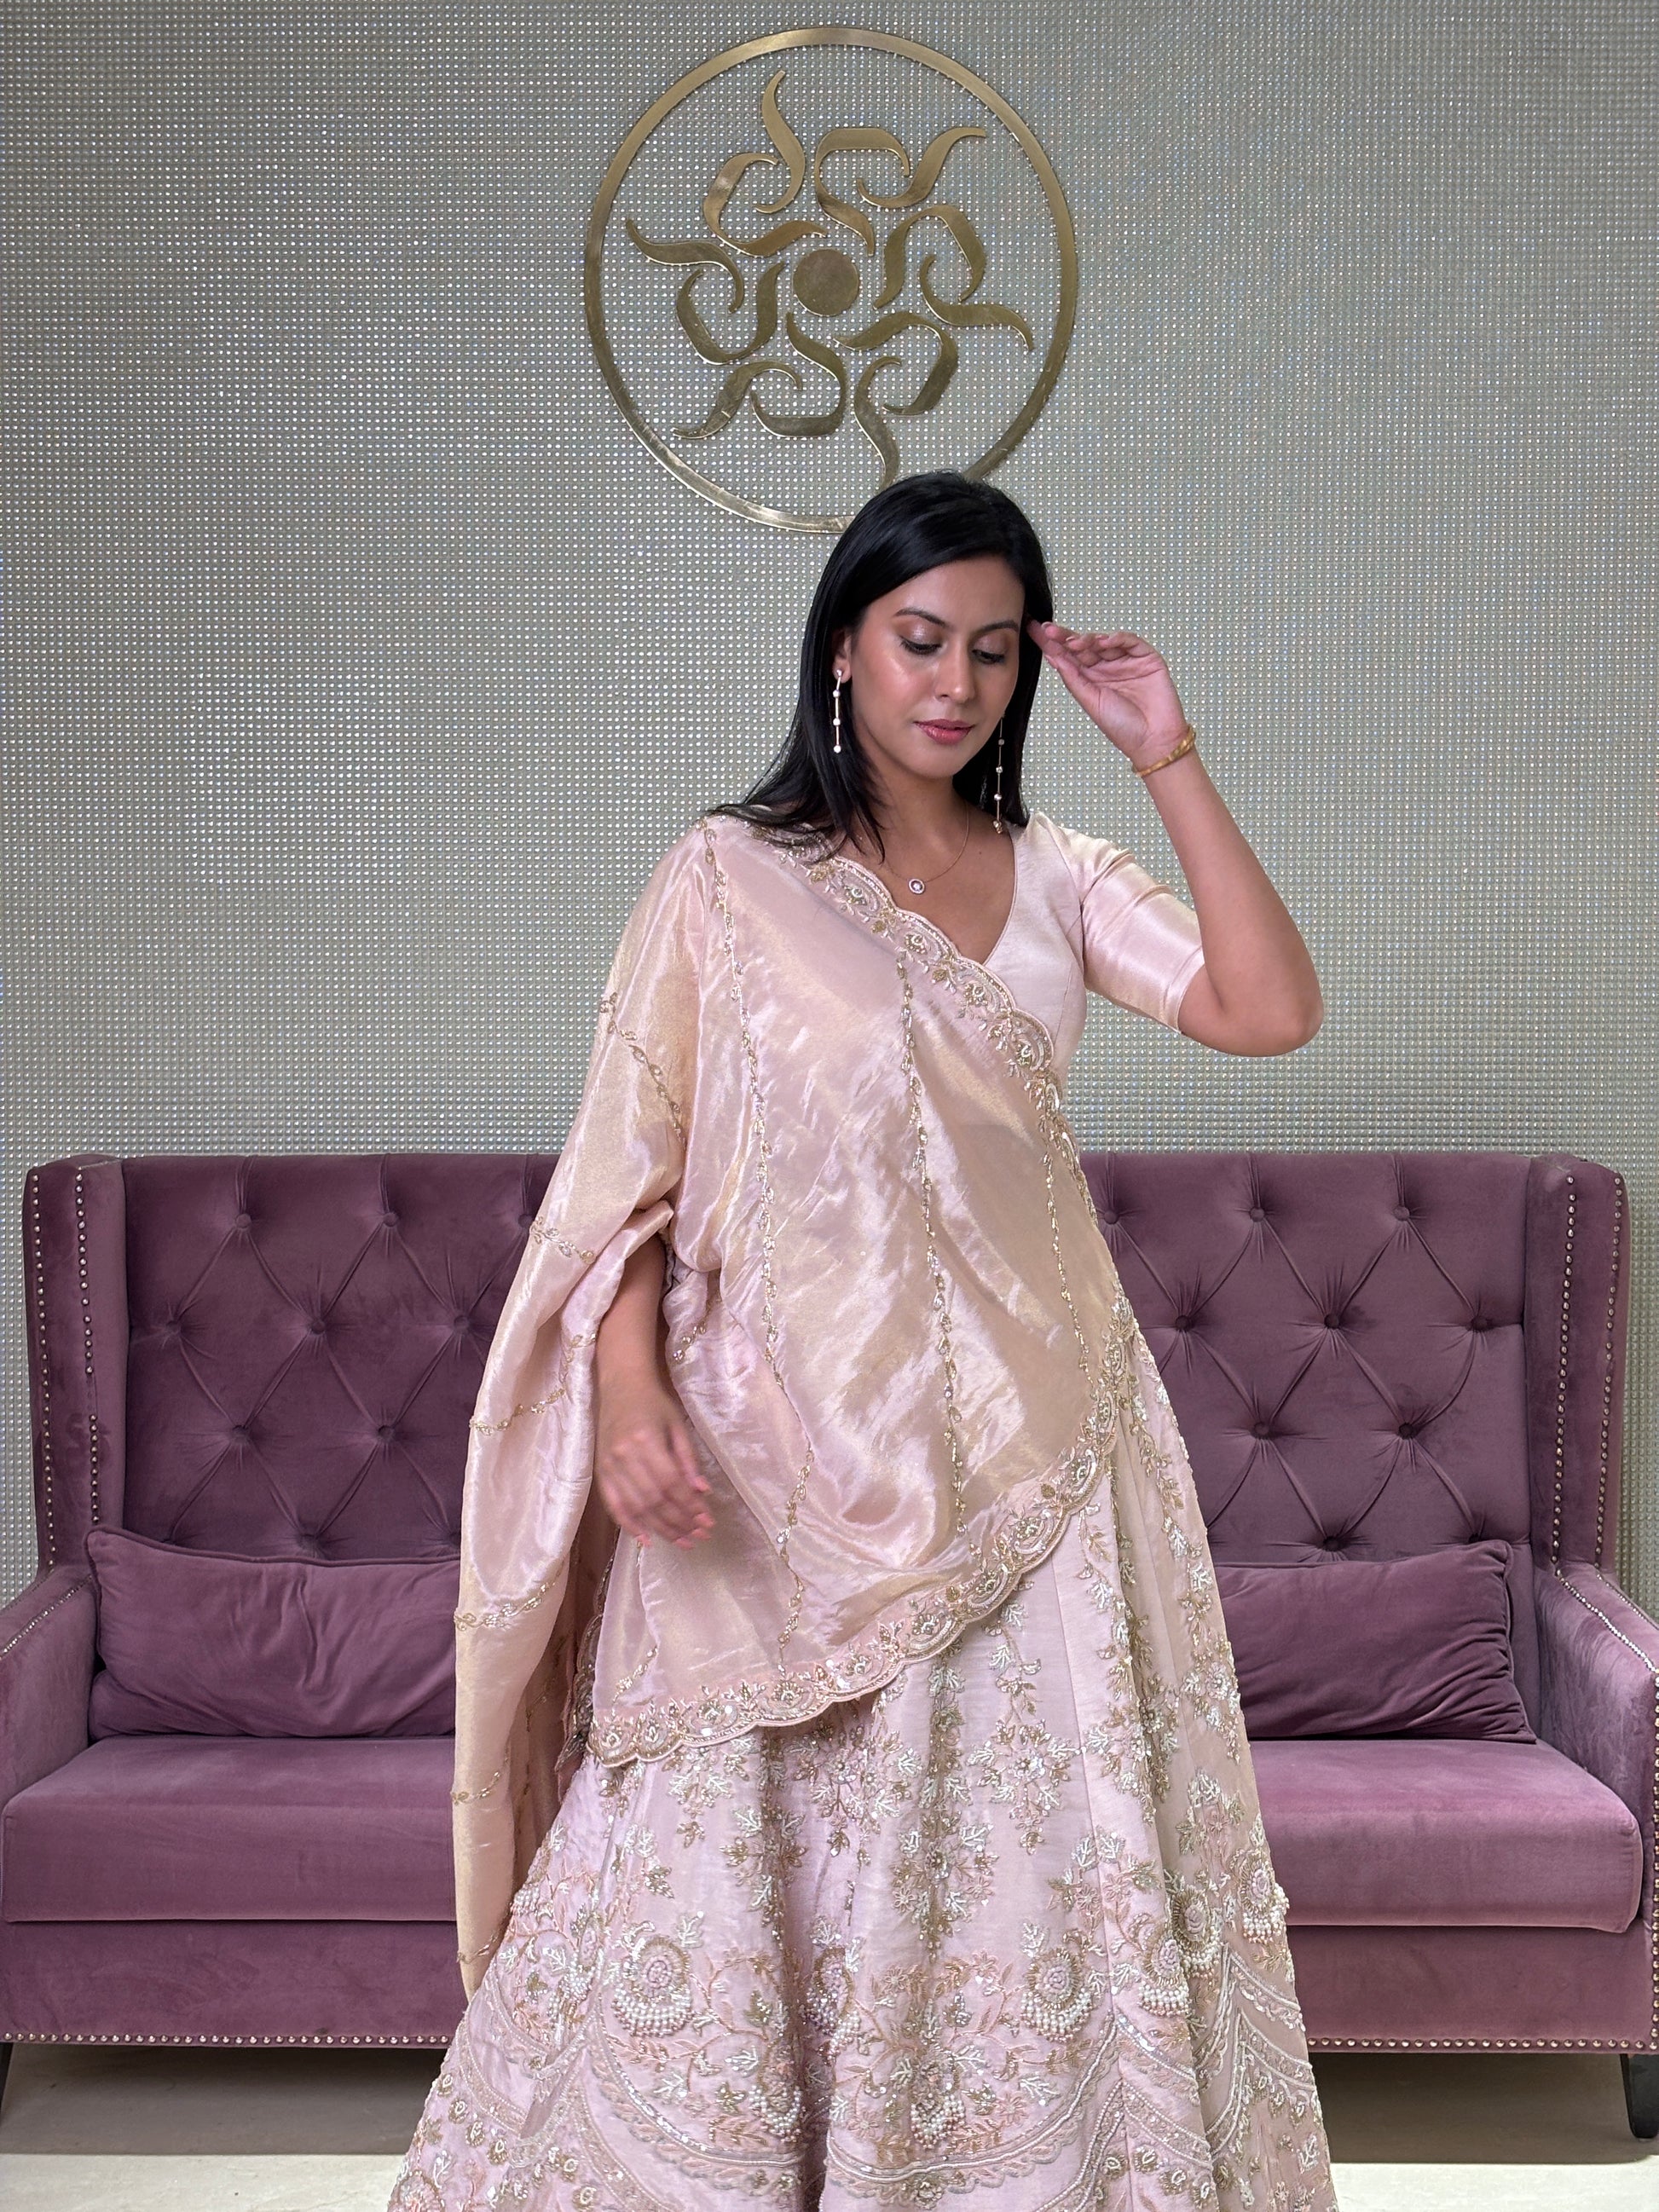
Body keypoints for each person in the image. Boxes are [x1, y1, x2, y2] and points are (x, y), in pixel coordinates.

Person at [390, 471, 1338, 2210]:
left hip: (1033, 1464)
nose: (954, 683)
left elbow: (1265, 1009)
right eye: (919, 639)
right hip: (763, 1472)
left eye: (992, 649)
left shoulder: (1057, 878)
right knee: (721, 1868)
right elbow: (622, 1188)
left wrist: (1168, 755)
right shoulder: (725, 881)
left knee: (1023, 1879)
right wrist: (627, 1395)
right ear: (842, 646)